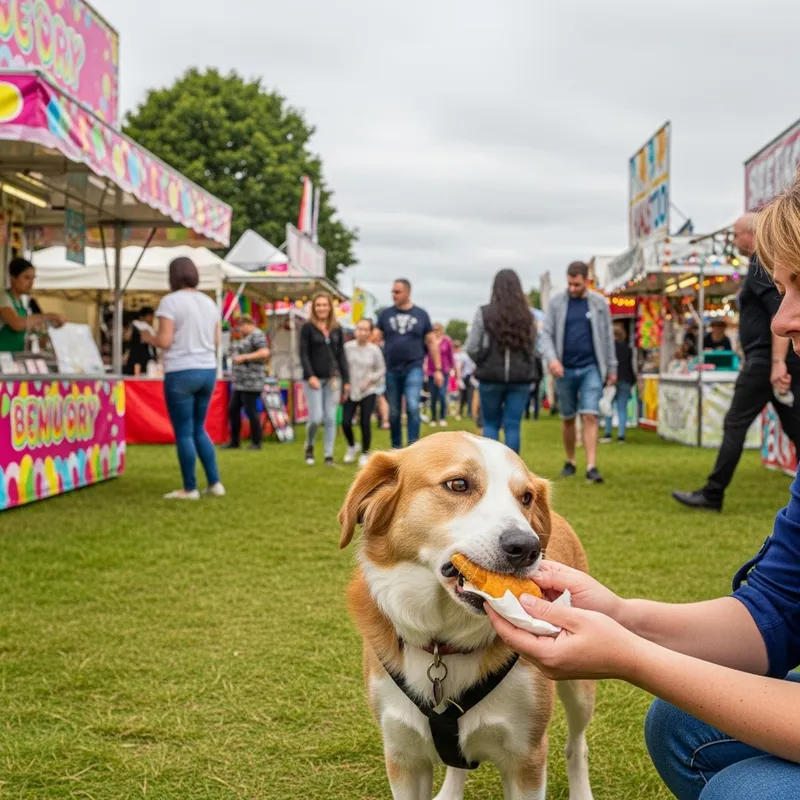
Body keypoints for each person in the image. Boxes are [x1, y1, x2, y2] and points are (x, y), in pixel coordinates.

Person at [673, 213, 800, 512]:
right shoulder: (761, 266)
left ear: (750, 235)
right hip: (770, 360)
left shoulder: (761, 265)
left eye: (735, 235)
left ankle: (713, 494)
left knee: (736, 423)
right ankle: (712, 493)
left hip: (764, 361)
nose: (732, 241)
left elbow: (778, 313)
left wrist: (777, 362)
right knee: (795, 426)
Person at [141, 257, 225, 500]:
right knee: (199, 428)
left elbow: (165, 341)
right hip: (207, 369)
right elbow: (217, 340)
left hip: (180, 371)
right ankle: (214, 482)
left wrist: (149, 337)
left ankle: (189, 488)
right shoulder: (209, 302)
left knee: (184, 432)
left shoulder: (170, 302)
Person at [541, 261, 617, 483]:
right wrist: (553, 360)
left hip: (591, 367)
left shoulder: (599, 304)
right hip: (563, 369)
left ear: (586, 280)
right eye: (569, 284)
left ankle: (592, 466)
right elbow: (545, 335)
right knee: (568, 417)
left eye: (577, 284)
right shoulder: (556, 303)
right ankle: (571, 460)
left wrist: (612, 368)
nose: (572, 288)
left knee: (590, 414)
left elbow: (607, 338)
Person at [466, 269, 539, 454]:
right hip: (520, 377)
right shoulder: (529, 316)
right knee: (513, 425)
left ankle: (491, 467)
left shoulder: (484, 313)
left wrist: (482, 359)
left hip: (491, 376)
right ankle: (513, 471)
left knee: (490, 423)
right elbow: (535, 347)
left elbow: (472, 346)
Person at [374, 279, 442, 449]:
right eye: (392, 292)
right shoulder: (386, 314)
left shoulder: (421, 314)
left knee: (412, 406)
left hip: (414, 367)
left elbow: (432, 342)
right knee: (394, 411)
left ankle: (413, 448)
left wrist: (439, 369)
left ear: (407, 293)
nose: (393, 295)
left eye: (397, 292)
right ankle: (396, 448)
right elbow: (375, 338)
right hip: (391, 368)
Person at [300, 292, 350, 466]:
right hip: (313, 378)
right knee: (316, 417)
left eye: (325, 305)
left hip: (332, 379)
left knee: (330, 417)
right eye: (318, 305)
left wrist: (347, 380)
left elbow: (341, 355)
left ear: (330, 307)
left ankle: (328, 455)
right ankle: (309, 445)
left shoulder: (337, 328)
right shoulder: (307, 328)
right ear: (314, 308)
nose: (322, 308)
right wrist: (310, 375)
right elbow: (303, 354)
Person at [343, 318, 386, 467]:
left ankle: (365, 453)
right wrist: (344, 383)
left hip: (368, 390)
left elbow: (381, 369)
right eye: (359, 329)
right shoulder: (347, 348)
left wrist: (371, 379)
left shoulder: (374, 350)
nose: (362, 332)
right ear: (355, 330)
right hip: (351, 389)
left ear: (370, 332)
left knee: (365, 421)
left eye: (365, 329)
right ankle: (352, 445)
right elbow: (342, 367)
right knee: (346, 422)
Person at [225, 316, 270, 451]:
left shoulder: (257, 335)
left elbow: (264, 352)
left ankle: (256, 442)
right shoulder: (247, 337)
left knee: (251, 411)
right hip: (241, 382)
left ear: (246, 324)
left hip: (252, 381)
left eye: (241, 327)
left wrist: (245, 357)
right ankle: (235, 441)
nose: (240, 330)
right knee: (233, 409)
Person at [0, 257, 65, 351]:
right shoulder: (3, 298)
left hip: (15, 356)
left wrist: (52, 327)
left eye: (33, 278)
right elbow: (17, 324)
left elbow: (30, 329)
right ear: (13, 278)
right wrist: (48, 316)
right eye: (26, 278)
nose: (31, 283)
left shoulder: (21, 303)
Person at [601, 324, 636, 444]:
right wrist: (632, 381)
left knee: (608, 407)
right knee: (622, 409)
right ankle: (621, 435)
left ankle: (608, 433)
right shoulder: (628, 349)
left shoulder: (607, 349)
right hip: (625, 380)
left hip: (611, 381)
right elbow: (630, 367)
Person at [424, 322, 455, 427]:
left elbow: (451, 356)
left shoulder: (447, 341)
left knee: (442, 394)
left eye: (437, 329)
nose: (436, 331)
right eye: (434, 329)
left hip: (444, 371)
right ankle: (433, 418)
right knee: (433, 395)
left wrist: (452, 368)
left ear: (441, 330)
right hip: (431, 372)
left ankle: (442, 417)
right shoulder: (429, 341)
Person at [123, 307, 157, 376]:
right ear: (142, 317)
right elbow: (126, 337)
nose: (151, 320)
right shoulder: (137, 326)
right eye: (149, 317)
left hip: (143, 360)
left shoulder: (147, 328)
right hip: (137, 360)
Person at [370, 326, 391, 430]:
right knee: (378, 400)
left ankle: (385, 421)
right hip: (371, 377)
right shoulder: (370, 347)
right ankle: (381, 420)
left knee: (381, 398)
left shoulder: (383, 347)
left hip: (381, 377)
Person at [453, 339, 475, 420]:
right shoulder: (466, 355)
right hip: (468, 377)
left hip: (466, 377)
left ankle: (461, 413)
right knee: (468, 396)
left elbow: (459, 367)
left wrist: (459, 379)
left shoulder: (461, 356)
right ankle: (468, 413)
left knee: (463, 397)